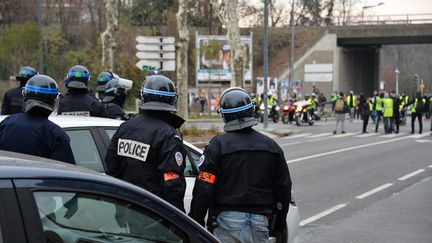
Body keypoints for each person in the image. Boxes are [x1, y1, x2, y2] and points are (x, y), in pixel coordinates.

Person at [189, 87, 292, 242]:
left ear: (225, 115)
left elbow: (204, 186)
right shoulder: (271, 147)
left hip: (226, 221)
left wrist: (195, 221)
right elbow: (283, 189)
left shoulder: (218, 146)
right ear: (251, 111)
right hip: (260, 221)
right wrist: (279, 224)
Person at [105, 75, 187, 211]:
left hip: (127, 205)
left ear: (143, 97)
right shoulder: (168, 134)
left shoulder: (125, 127)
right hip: (154, 213)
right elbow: (172, 183)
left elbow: (112, 167)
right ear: (172, 99)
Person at [0, 75, 75, 164]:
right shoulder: (57, 135)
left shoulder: (6, 124)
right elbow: (67, 172)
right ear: (53, 101)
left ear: (25, 97)